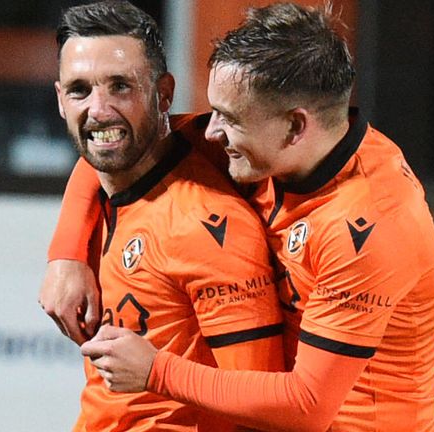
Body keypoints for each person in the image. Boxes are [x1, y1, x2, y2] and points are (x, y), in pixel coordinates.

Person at [45, 2, 434, 431]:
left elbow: (307, 405)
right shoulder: (262, 148)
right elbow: (115, 146)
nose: (211, 129)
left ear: (295, 127)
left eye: (229, 118)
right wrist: (65, 255)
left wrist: (156, 371)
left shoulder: (370, 224)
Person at [47, 2, 285, 431]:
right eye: (80, 90)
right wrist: (64, 253)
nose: (99, 109)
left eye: (120, 86)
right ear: (61, 101)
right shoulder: (107, 187)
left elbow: (264, 409)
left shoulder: (209, 227)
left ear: (164, 94)